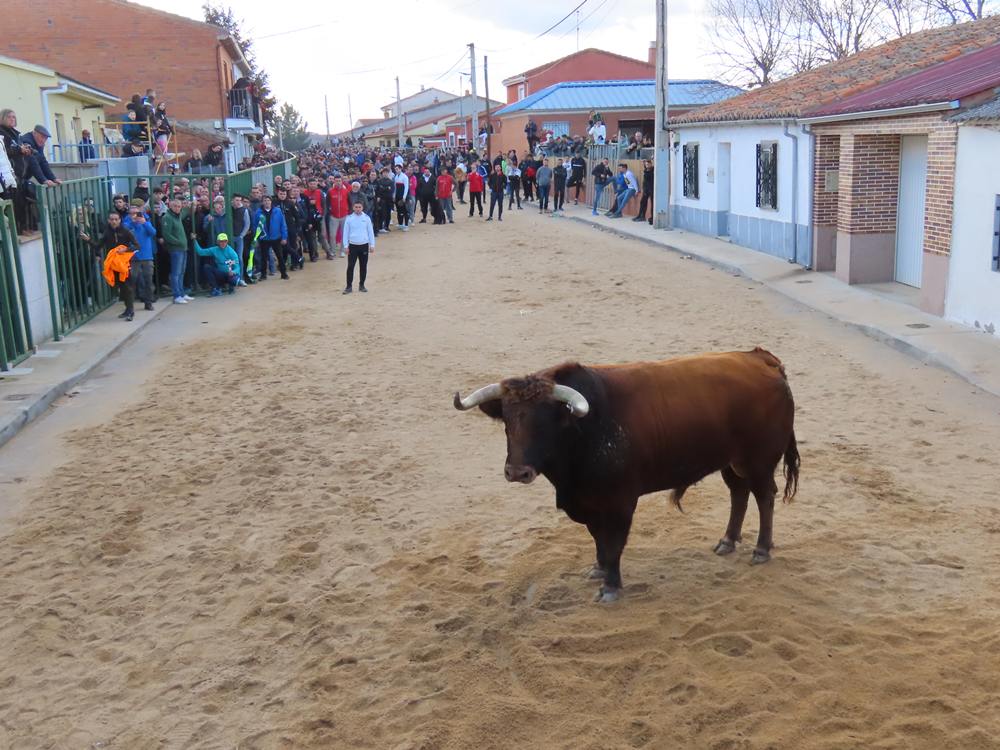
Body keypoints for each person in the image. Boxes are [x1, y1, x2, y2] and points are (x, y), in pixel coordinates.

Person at [81, 210, 139, 321]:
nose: (114, 221)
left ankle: (130, 311)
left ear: (119, 220)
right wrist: (88, 240)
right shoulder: (107, 233)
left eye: (116, 219)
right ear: (108, 220)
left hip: (124, 263)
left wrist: (126, 249)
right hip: (113, 264)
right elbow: (98, 246)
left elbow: (137, 246)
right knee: (121, 287)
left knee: (128, 287)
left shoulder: (126, 231)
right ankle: (127, 309)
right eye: (112, 219)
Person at [123, 201, 157, 311]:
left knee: (148, 279)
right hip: (133, 256)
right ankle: (130, 306)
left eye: (136, 213)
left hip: (147, 256)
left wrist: (144, 223)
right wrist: (132, 222)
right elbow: (123, 232)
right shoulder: (126, 223)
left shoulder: (145, 220)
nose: (134, 215)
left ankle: (148, 302)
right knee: (132, 281)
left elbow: (153, 232)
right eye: (131, 213)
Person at [161, 197, 193, 304]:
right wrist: (178, 242)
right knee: (176, 273)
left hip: (182, 248)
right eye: (175, 206)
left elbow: (186, 211)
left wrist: (190, 205)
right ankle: (177, 295)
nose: (177, 208)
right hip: (176, 249)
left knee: (181, 272)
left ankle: (181, 293)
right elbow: (166, 235)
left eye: (179, 206)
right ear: (170, 206)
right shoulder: (167, 217)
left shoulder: (177, 216)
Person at [342, 200, 375, 295]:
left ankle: (362, 285)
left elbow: (370, 232)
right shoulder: (349, 218)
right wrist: (346, 246)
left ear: (362, 208)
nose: (358, 209)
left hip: (364, 245)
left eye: (359, 207)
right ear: (353, 208)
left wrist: (372, 245)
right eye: (356, 207)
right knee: (350, 266)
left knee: (363, 266)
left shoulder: (367, 218)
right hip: (353, 246)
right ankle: (348, 286)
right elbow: (345, 233)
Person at [252, 194, 289, 280]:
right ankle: (263, 275)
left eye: (268, 200)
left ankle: (284, 273)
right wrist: (256, 238)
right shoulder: (258, 212)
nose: (267, 202)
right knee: (264, 257)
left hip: (276, 237)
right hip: (264, 238)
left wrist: (284, 237)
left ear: (271, 202)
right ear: (262, 202)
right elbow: (255, 226)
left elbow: (283, 224)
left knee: (280, 256)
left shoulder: (278, 211)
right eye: (265, 201)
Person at [326, 175, 350, 257]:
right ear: (334, 182)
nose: (338, 182)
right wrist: (329, 212)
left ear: (342, 181)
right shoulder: (330, 191)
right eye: (336, 181)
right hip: (334, 216)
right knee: (332, 235)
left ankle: (342, 251)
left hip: (344, 216)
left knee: (344, 234)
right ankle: (332, 250)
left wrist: (349, 213)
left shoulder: (346, 191)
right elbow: (327, 203)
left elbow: (350, 202)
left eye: (339, 181)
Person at [634, 160, 654, 225]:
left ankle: (652, 218)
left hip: (651, 190)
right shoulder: (646, 170)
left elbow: (650, 181)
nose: (647, 165)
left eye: (648, 164)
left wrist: (647, 190)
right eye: (646, 164)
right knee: (642, 202)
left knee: (653, 204)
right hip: (646, 190)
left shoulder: (652, 170)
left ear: (651, 164)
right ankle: (641, 216)